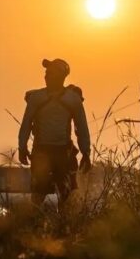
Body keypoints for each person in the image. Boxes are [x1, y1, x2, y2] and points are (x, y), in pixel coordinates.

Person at [18, 59, 91, 207]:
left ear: (61, 76)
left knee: (65, 194)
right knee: (38, 193)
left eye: (50, 72)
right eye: (46, 72)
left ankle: (63, 220)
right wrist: (22, 148)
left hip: (63, 152)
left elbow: (81, 128)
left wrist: (86, 152)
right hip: (41, 151)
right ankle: (36, 220)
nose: (46, 76)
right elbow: (26, 124)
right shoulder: (36, 98)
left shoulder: (73, 99)